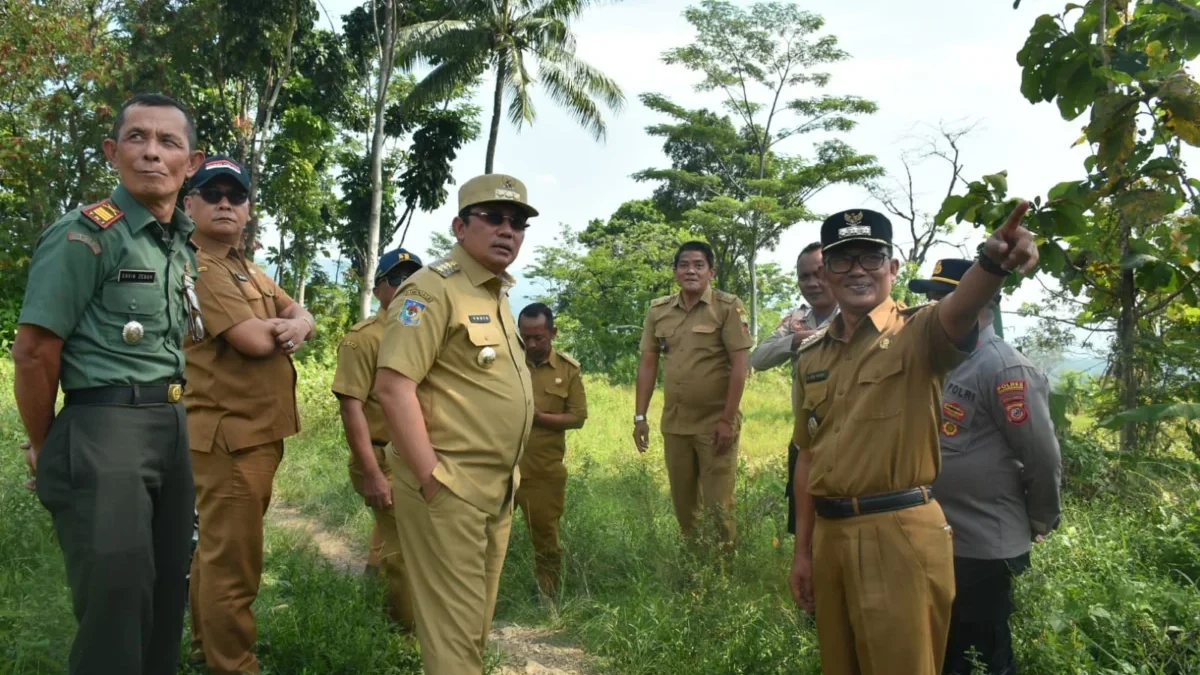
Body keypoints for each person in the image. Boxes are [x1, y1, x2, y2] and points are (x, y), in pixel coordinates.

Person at [787, 204, 1040, 675]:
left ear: (893, 267)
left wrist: (992, 264)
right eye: (843, 260)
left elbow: (962, 306)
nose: (858, 270)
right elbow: (807, 456)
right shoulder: (810, 355)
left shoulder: (921, 330)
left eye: (872, 257)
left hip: (898, 533)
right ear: (826, 273)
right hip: (831, 537)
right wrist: (803, 553)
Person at [12, 93, 205, 675]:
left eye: (168, 142)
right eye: (137, 138)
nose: (152, 153)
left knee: (169, 586)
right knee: (116, 602)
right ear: (112, 152)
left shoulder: (178, 244)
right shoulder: (86, 234)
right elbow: (34, 352)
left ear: (190, 163)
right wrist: (51, 446)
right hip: (105, 429)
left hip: (170, 426)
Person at [375, 174, 536, 674]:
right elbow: (393, 386)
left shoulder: (496, 294)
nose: (506, 230)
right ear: (460, 226)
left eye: (517, 222)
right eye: (492, 218)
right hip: (450, 486)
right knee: (453, 634)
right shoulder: (430, 289)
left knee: (472, 629)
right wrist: (431, 480)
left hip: (497, 489)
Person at [182, 155, 316, 675]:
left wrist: (299, 323)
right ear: (188, 202)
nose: (223, 203)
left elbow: (298, 311)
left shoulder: (245, 266)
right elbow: (255, 340)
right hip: (229, 438)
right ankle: (233, 665)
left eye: (234, 196)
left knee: (216, 553)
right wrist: (288, 326)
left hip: (254, 433)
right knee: (233, 565)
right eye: (211, 194)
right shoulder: (199, 266)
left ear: (247, 209)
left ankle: (206, 650)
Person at [909, 259, 1062, 675]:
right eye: (931, 301)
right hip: (934, 537)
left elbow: (1042, 459)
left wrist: (1041, 520)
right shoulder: (936, 363)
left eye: (944, 300)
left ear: (981, 303)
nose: (933, 311)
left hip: (981, 543)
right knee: (941, 650)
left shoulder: (1004, 367)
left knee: (982, 654)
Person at [633, 241, 753, 549]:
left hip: (716, 425)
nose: (691, 271)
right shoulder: (659, 311)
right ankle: (695, 572)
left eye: (698, 265)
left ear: (711, 272)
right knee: (686, 510)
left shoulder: (727, 307)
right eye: (684, 265)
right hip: (676, 425)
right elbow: (648, 364)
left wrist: (727, 420)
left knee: (719, 509)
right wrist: (640, 416)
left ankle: (722, 576)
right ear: (675, 272)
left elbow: (741, 366)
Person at [332, 246, 423, 630]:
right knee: (406, 550)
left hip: (419, 457)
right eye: (397, 279)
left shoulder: (423, 331)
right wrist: (370, 471)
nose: (407, 287)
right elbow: (351, 406)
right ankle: (403, 638)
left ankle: (376, 594)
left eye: (414, 278)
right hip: (382, 458)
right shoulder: (364, 339)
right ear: (380, 288)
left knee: (403, 539)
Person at [749, 241, 838, 536]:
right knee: (805, 528)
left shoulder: (858, 316)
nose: (812, 283)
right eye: (804, 276)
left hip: (848, 443)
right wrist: (799, 340)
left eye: (820, 273)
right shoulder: (797, 321)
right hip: (805, 442)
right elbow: (759, 358)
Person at [515, 302, 588, 600]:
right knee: (483, 534)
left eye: (538, 338)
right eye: (525, 337)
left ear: (553, 333)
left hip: (543, 469)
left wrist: (538, 418)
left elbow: (578, 417)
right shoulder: (506, 363)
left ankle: (549, 598)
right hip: (498, 465)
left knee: (546, 537)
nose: (531, 344)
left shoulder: (568, 371)